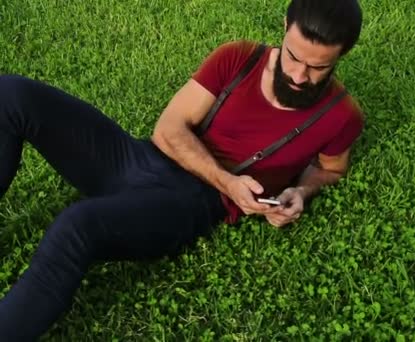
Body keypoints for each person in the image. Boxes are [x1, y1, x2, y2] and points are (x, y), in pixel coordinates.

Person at [0, 0, 364, 339]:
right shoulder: (239, 58)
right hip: (140, 159)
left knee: (77, 225)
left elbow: (330, 169)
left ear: (343, 54)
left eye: (318, 67)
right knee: (11, 95)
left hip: (189, 203)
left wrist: (300, 191)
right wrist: (228, 181)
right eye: (294, 57)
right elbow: (169, 129)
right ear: (284, 27)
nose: (300, 76)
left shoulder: (340, 116)